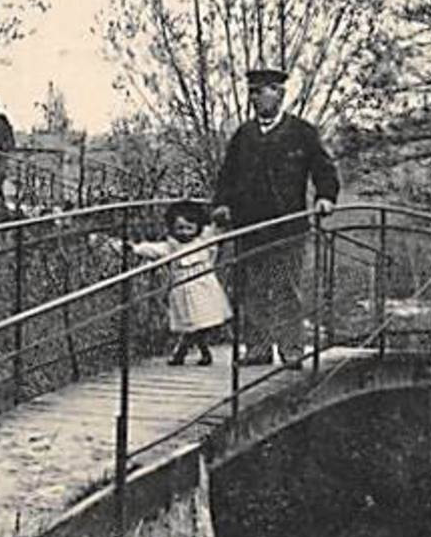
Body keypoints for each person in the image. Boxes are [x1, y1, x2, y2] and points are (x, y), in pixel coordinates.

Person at [211, 66, 339, 367]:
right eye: (252, 92)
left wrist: (325, 197)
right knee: (251, 290)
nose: (255, 98)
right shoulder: (244, 135)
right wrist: (222, 204)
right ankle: (257, 349)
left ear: (279, 94)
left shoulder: (302, 132)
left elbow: (324, 170)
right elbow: (227, 176)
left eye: (262, 91)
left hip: (288, 227)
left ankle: (292, 350)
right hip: (250, 227)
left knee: (287, 290)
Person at [125, 201, 232, 366]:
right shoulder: (171, 246)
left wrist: (221, 217)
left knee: (202, 323)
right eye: (179, 228)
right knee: (192, 324)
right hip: (184, 290)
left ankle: (184, 352)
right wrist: (136, 248)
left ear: (197, 227)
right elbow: (154, 250)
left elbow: (217, 227)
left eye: (189, 228)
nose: (184, 233)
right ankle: (194, 352)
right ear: (172, 228)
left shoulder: (204, 239)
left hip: (204, 288)